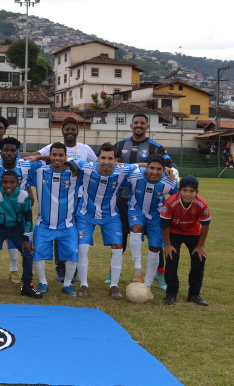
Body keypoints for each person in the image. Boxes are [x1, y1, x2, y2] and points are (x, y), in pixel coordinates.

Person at [23, 116, 96, 283]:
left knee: (70, 237)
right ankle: (59, 268)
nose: (70, 131)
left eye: (73, 129)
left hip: (76, 199)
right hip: (51, 202)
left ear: (78, 130)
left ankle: (71, 274)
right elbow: (31, 160)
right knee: (52, 229)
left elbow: (95, 166)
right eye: (67, 128)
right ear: (62, 130)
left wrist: (70, 165)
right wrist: (39, 158)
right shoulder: (44, 167)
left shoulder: (85, 150)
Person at [114, 112, 178, 290]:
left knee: (155, 240)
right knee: (122, 235)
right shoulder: (120, 145)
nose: (139, 125)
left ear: (147, 127)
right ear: (131, 125)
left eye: (142, 123)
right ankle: (116, 271)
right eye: (136, 123)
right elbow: (109, 163)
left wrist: (171, 171)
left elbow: (171, 166)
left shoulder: (156, 147)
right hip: (125, 199)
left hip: (153, 201)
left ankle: (160, 273)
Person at [72, 143, 138, 299]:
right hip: (86, 214)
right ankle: (84, 284)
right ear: (97, 158)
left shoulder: (122, 170)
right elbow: (64, 159)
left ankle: (114, 286)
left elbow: (141, 167)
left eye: (110, 158)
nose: (106, 162)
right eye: (103, 158)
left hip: (110, 216)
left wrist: (167, 169)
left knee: (117, 246)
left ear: (116, 160)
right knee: (82, 247)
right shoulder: (87, 167)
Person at [26, 143, 78, 298]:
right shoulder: (40, 172)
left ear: (66, 156)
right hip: (44, 223)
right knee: (38, 252)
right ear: (49, 156)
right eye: (54, 155)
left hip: (67, 224)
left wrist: (70, 164)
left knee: (72, 253)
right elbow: (22, 166)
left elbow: (91, 166)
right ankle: (43, 282)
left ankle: (68, 284)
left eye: (61, 155)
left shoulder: (75, 173)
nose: (57, 158)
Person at [0, 136, 35, 285]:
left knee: (27, 250)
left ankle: (25, 281)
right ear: (0, 152)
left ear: (17, 152)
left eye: (12, 150)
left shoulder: (26, 166)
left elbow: (50, 160)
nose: (9, 153)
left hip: (17, 220)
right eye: (5, 150)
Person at [126, 155, 178, 298]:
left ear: (164, 170)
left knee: (155, 247)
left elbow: (177, 199)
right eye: (152, 168)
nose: (154, 172)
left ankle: (147, 285)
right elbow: (122, 168)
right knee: (136, 228)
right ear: (146, 167)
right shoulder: (135, 174)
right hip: (136, 210)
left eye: (159, 169)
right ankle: (138, 269)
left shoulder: (170, 182)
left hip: (157, 215)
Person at [0, 171, 34, 297]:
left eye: (12, 182)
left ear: (18, 183)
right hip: (0, 228)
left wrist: (26, 238)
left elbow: (28, 219)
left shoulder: (23, 196)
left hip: (17, 228)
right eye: (5, 182)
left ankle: (27, 285)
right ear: (1, 183)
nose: (8, 185)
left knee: (28, 253)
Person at [160, 175, 211, 306]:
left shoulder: (201, 203)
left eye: (192, 191)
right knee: (171, 260)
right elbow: (164, 225)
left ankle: (194, 294)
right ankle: (171, 293)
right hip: (174, 232)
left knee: (199, 260)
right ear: (179, 190)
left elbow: (205, 226)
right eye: (184, 190)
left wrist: (200, 246)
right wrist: (168, 245)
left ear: (197, 192)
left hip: (193, 233)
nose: (188, 194)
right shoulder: (171, 202)